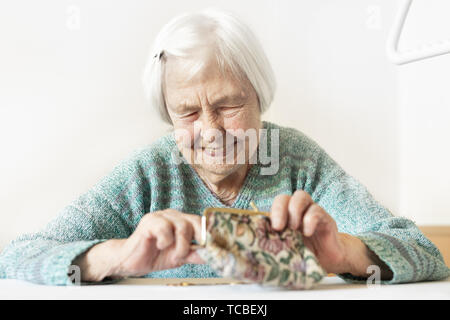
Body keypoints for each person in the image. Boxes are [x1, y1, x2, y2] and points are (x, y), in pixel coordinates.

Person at [0, 8, 448, 285]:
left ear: (259, 97)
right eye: (188, 113)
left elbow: (424, 252)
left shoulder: (297, 160)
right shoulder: (148, 173)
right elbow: (17, 257)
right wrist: (114, 256)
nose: (211, 131)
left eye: (228, 105)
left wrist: (345, 254)